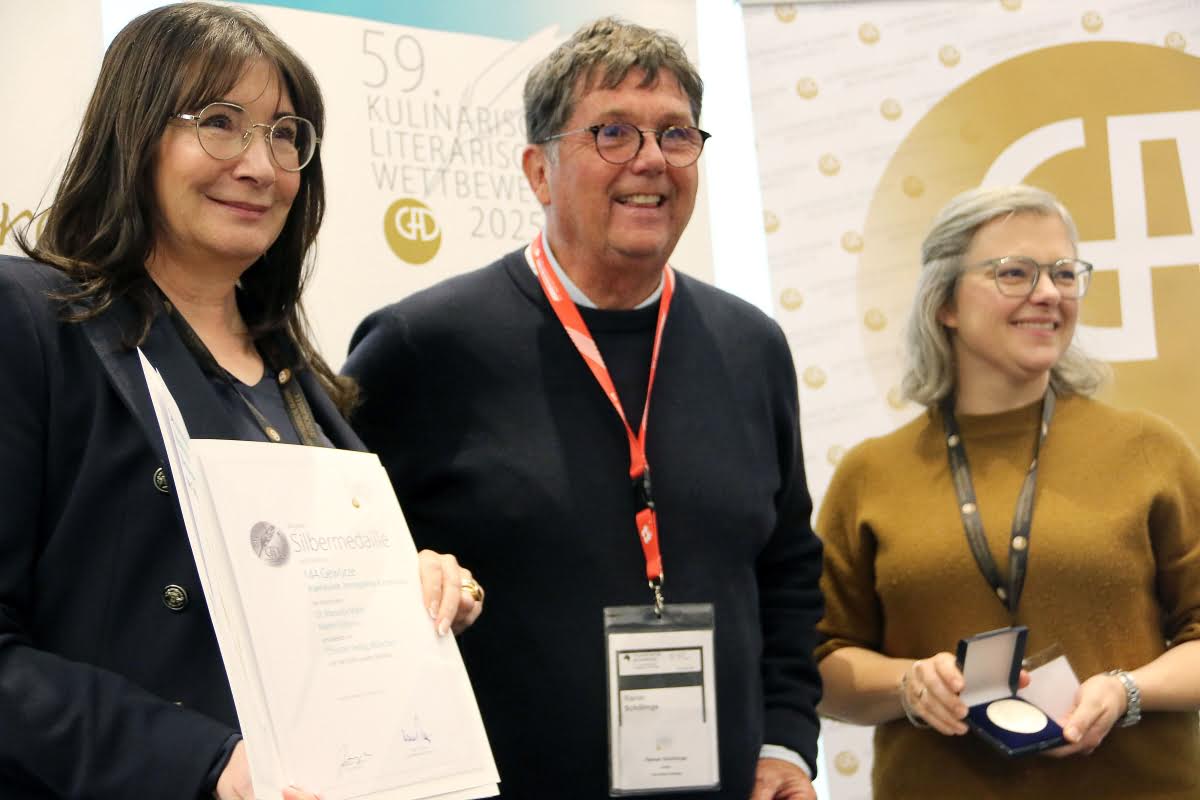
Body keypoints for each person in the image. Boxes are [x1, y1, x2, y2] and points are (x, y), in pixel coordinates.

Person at [0, 5, 482, 799]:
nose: (261, 165)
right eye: (220, 122)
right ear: (134, 133)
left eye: (286, 134)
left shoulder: (295, 373)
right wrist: (205, 762)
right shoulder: (32, 322)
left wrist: (418, 589)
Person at [344, 17, 824, 800]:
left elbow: (788, 567)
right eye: (613, 132)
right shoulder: (422, 347)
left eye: (675, 134)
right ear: (539, 171)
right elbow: (344, 575)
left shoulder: (751, 346)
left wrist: (786, 743)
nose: (651, 159)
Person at [815, 184, 1200, 797]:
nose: (1048, 293)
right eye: (1014, 273)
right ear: (945, 301)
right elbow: (817, 665)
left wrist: (1127, 690)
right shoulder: (870, 475)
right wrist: (909, 685)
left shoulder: (1151, 450)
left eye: (1064, 273)